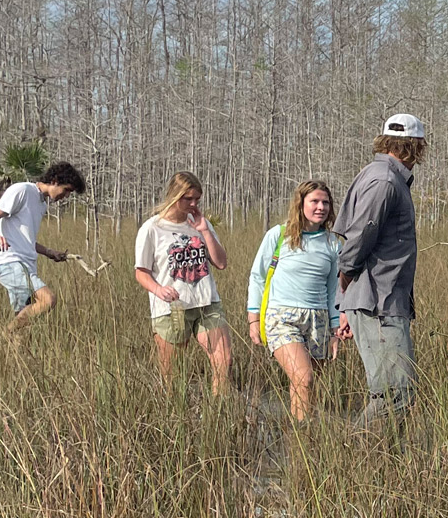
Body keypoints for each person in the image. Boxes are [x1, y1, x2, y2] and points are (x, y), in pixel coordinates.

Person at [337, 113, 425, 428]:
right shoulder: (384, 180)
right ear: (416, 146)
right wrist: (346, 288)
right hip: (378, 303)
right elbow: (358, 238)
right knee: (395, 393)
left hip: (379, 301)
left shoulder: (379, 176)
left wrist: (345, 303)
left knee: (393, 392)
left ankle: (371, 457)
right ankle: (352, 453)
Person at [247, 180, 348, 422]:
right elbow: (258, 276)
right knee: (304, 378)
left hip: (319, 319)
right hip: (282, 317)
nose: (320, 207)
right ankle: (303, 434)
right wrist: (253, 319)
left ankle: (300, 439)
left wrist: (336, 327)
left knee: (305, 386)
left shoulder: (333, 243)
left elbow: (334, 287)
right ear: (300, 203)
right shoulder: (279, 235)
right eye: (314, 201)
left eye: (325, 202)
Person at [134, 171, 233, 396]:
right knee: (173, 375)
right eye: (188, 198)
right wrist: (159, 289)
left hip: (207, 303)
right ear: (174, 195)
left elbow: (221, 263)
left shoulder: (199, 224)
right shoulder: (152, 228)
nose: (193, 203)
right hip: (172, 309)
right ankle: (175, 417)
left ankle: (217, 414)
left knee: (223, 362)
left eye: (197, 198)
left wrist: (205, 231)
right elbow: (141, 272)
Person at [0, 161, 88, 334]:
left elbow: (26, 239)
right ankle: (4, 334)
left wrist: (49, 252)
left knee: (24, 323)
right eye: (67, 189)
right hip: (8, 261)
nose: (67, 195)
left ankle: (11, 351)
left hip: (26, 265)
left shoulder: (41, 204)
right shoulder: (23, 190)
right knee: (48, 300)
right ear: (55, 180)